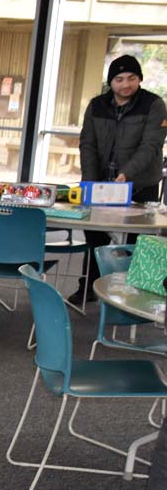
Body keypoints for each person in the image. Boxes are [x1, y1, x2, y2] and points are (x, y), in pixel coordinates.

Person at [72, 54, 167, 305]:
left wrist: (127, 174)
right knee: (95, 237)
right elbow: (88, 145)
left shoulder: (153, 105)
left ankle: (133, 297)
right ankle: (90, 286)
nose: (126, 84)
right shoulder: (96, 106)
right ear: (110, 82)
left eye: (132, 78)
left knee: (139, 241)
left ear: (140, 79)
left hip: (140, 184)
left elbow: (151, 145)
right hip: (102, 184)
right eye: (119, 79)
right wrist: (90, 183)